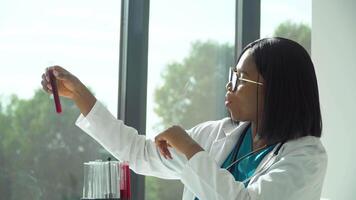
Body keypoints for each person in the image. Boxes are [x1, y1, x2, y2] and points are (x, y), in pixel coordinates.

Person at [41, 37, 327, 200]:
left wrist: (190, 150)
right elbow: (138, 154)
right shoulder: (217, 134)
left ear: (275, 88)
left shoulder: (306, 157)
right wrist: (80, 95)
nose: (229, 86)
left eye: (239, 78)